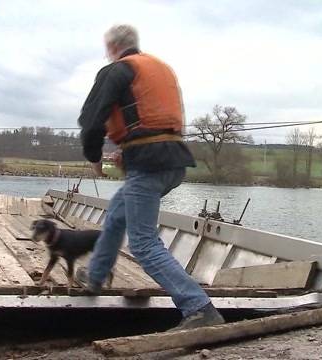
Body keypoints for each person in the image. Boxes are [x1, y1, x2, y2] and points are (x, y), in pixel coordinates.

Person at [75, 24, 224, 330]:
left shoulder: (116, 70)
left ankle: (199, 308)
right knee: (118, 214)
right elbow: (151, 123)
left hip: (148, 164)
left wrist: (93, 157)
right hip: (174, 163)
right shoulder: (161, 68)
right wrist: (128, 151)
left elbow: (91, 122)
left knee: (143, 243)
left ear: (112, 47)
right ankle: (94, 277)